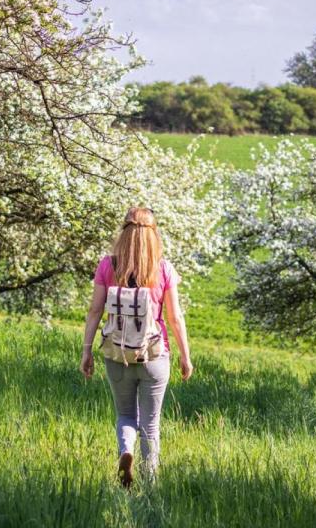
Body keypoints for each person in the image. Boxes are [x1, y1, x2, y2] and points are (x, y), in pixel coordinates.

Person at [80, 207, 194, 488]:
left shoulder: (108, 266)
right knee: (151, 425)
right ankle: (151, 485)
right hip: (154, 355)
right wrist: (185, 356)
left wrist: (86, 350)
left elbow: (95, 311)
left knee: (126, 415)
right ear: (153, 235)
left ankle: (126, 451)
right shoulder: (163, 268)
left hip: (117, 354)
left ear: (124, 233)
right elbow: (175, 317)